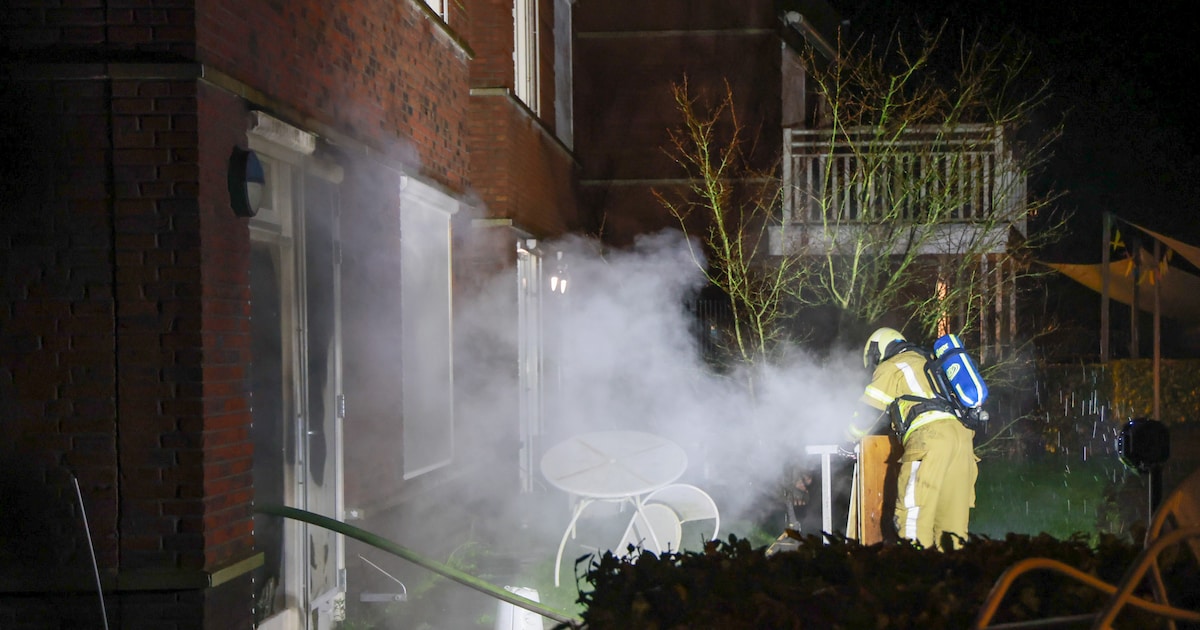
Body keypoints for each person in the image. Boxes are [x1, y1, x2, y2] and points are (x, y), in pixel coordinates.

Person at [851, 326, 979, 550]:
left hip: (930, 440)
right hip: (963, 442)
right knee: (952, 529)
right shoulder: (930, 361)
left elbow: (868, 412)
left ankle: (916, 577)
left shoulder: (892, 366)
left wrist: (847, 437)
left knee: (913, 517)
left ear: (877, 351)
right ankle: (954, 579)